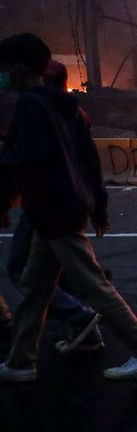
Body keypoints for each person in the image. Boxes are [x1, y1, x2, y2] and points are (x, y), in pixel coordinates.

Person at [0, 32, 137, 383]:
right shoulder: (55, 103)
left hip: (52, 207)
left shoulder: (31, 105)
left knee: (93, 286)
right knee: (35, 288)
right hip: (57, 206)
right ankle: (20, 361)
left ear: (17, 68)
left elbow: (30, 158)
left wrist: (5, 166)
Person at [4, 60, 104, 355]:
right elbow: (91, 163)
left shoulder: (42, 111)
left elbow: (26, 160)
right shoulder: (71, 112)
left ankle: (86, 320)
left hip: (48, 202)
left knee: (23, 270)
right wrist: (98, 206)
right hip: (69, 201)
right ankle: (85, 331)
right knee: (61, 274)